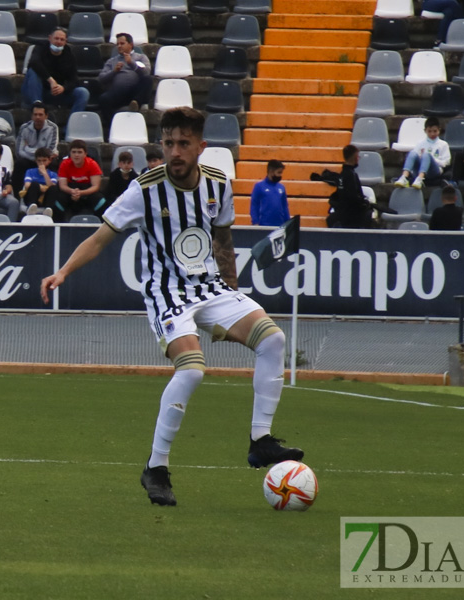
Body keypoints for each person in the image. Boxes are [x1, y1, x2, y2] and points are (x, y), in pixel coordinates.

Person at [40, 107, 304, 507]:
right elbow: (99, 238)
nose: (175, 152)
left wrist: (231, 296)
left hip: (211, 288)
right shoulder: (143, 189)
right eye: (168, 143)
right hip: (166, 293)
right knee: (193, 370)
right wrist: (63, 272)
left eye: (183, 143)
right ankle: (156, 468)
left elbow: (223, 242)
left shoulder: (218, 185)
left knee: (273, 339)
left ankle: (260, 440)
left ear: (201, 146)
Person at [22, 28, 90, 114]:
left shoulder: (69, 55)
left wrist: (63, 88)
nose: (58, 42)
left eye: (62, 40)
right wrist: (50, 80)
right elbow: (34, 63)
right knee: (33, 72)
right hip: (37, 91)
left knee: (83, 93)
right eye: (56, 38)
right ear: (50, 38)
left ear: (66, 41)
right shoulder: (40, 48)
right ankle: (37, 106)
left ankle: (72, 124)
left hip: (56, 93)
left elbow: (74, 80)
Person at [97, 33, 153, 116]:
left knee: (148, 79)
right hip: (118, 93)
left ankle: (135, 103)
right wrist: (114, 71)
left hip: (135, 93)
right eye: (117, 44)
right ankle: (113, 124)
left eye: (122, 43)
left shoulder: (141, 57)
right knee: (103, 99)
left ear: (130, 44)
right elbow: (101, 78)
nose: (119, 46)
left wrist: (131, 63)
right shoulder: (112, 61)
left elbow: (146, 72)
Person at [394, 117, 450, 190]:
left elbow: (446, 162)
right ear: (425, 131)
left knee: (426, 155)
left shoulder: (443, 144)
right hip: (419, 168)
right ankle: (404, 177)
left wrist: (432, 160)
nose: (432, 134)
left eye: (435, 131)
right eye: (429, 131)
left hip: (434, 171)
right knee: (412, 153)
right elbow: (414, 158)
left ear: (439, 130)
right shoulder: (420, 143)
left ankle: (420, 179)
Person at [57, 139, 105, 221]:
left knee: (101, 201)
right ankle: (58, 227)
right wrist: (72, 191)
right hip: (70, 190)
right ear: (70, 154)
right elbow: (62, 185)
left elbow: (95, 186)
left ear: (85, 154)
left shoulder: (92, 164)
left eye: (79, 152)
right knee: (58, 201)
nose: (76, 155)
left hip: (88, 191)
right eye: (74, 152)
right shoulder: (64, 164)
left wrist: (81, 193)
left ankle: (101, 226)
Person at [328, 144, 374, 229]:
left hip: (342, 212)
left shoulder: (342, 174)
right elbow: (353, 197)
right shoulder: (351, 175)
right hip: (351, 215)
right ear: (355, 158)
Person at [14, 102, 60, 182]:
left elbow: (50, 151)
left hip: (45, 160)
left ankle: (52, 190)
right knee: (20, 163)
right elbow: (19, 152)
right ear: (31, 116)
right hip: (29, 160)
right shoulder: (24, 128)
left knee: (54, 163)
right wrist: (36, 158)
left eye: (40, 114)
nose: (37, 117)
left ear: (46, 116)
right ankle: (18, 193)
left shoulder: (53, 128)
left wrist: (27, 149)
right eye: (35, 114)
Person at [20, 147, 59, 219]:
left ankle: (48, 209)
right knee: (34, 184)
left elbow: (52, 186)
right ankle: (32, 206)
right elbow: (27, 185)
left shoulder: (53, 174)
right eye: (39, 161)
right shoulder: (30, 171)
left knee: (53, 188)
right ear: (36, 161)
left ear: (49, 160)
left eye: (44, 160)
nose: (42, 163)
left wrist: (45, 173)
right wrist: (41, 187)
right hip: (32, 196)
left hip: (45, 198)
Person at [250, 160, 290, 226]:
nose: (280, 175)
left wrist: (288, 222)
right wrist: (255, 222)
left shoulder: (281, 187)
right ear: (271, 171)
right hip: (263, 225)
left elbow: (285, 206)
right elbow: (254, 205)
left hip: (279, 225)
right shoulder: (259, 186)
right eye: (279, 172)